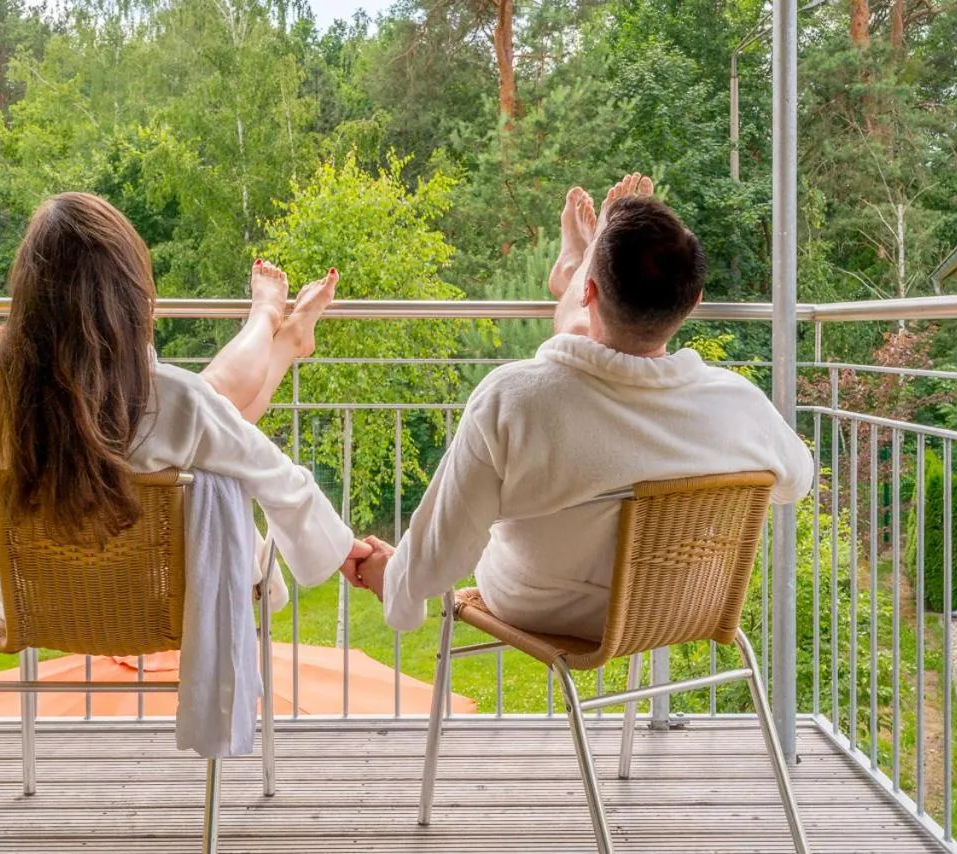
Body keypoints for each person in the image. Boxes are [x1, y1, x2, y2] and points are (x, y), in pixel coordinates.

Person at [347, 174, 813, 640]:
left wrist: (392, 575)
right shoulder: (737, 404)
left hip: (544, 604)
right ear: (692, 304)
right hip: (679, 607)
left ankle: (580, 261)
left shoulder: (513, 398)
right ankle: (580, 260)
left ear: (590, 294)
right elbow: (797, 481)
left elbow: (439, 555)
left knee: (568, 346)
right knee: (572, 346)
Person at [0, 191, 370, 616]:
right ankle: (276, 327)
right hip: (172, 598)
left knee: (212, 413)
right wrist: (343, 548)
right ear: (130, 296)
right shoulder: (170, 398)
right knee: (217, 418)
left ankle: (282, 332)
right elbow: (276, 476)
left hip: (44, 604)